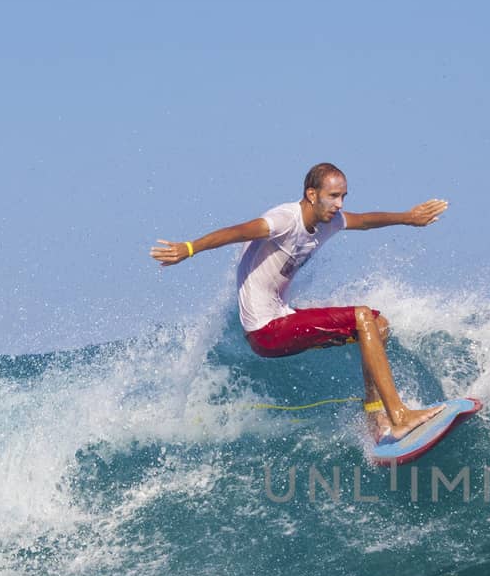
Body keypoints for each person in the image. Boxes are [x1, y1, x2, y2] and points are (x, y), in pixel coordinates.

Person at [150, 163, 449, 442]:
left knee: (377, 325)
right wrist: (188, 248)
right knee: (361, 317)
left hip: (283, 318)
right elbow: (237, 231)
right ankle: (400, 415)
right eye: (333, 196)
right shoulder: (283, 219)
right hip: (265, 330)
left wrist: (408, 218)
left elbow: (366, 221)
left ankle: (376, 416)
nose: (340, 204)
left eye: (343, 196)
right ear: (311, 194)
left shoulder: (329, 221)